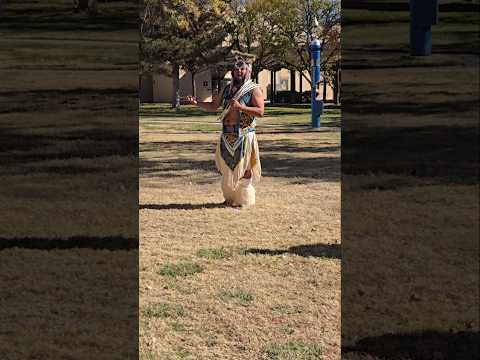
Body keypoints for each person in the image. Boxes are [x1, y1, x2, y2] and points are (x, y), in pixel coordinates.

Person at [186, 59, 264, 207]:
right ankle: (229, 198)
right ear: (233, 71)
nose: (239, 72)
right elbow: (214, 106)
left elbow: (260, 112)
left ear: (248, 71)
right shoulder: (227, 89)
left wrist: (241, 107)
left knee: (245, 167)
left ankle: (244, 200)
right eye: (236, 70)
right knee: (227, 169)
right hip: (226, 134)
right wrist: (197, 103)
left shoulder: (253, 89)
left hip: (244, 134)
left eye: (242, 69)